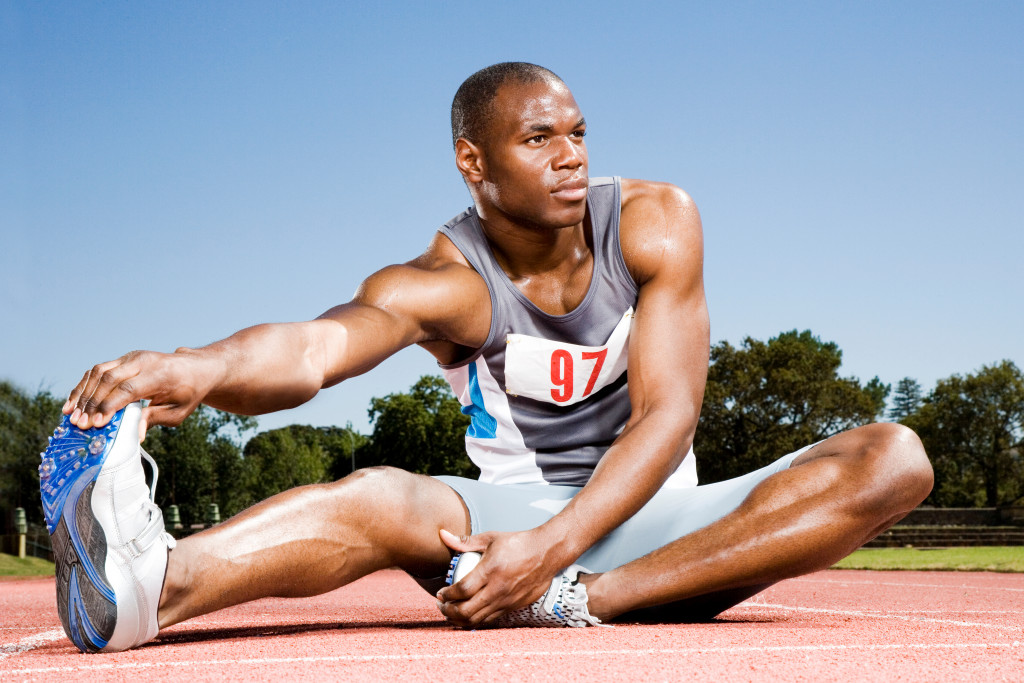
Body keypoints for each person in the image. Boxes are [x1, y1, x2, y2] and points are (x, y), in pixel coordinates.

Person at [46, 62, 933, 653]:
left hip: (665, 532)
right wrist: (195, 367)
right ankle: (150, 588)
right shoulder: (449, 282)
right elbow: (318, 347)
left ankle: (597, 601)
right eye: (539, 140)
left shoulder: (657, 223)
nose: (571, 158)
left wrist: (559, 563)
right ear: (474, 162)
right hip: (501, 531)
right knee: (379, 495)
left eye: (578, 134)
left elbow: (671, 414)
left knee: (893, 456)